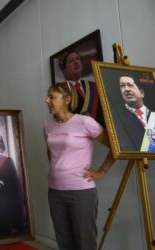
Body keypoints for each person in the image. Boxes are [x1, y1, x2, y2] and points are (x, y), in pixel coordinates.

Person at [44, 81, 114, 250]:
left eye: (52, 97)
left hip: (81, 192)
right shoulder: (48, 127)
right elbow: (51, 154)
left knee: (85, 244)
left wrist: (101, 171)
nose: (47, 101)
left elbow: (115, 147)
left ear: (67, 100)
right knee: (65, 243)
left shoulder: (85, 122)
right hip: (54, 192)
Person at [60, 50, 104, 126]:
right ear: (64, 71)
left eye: (78, 59)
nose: (76, 62)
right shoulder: (60, 92)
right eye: (71, 61)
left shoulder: (93, 86)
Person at [116, 75, 152, 151]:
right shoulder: (117, 118)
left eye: (130, 85)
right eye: (122, 86)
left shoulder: (152, 114)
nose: (126, 89)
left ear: (141, 93)